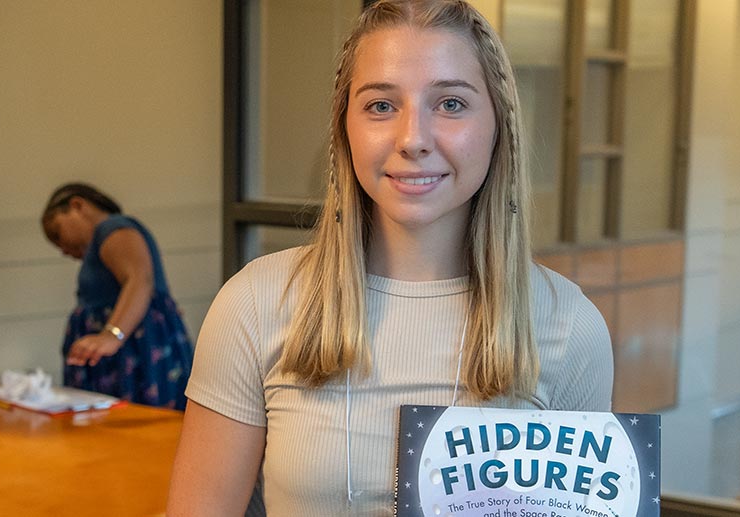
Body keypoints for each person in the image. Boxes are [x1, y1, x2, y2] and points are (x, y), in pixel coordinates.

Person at [165, 1, 614, 514]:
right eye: (381, 106)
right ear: (345, 128)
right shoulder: (254, 303)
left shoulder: (569, 325)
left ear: (499, 126)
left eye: (450, 103)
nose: (413, 139)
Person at [40, 183, 193, 409]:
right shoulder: (104, 237)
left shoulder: (112, 228)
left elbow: (139, 279)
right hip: (125, 354)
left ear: (77, 206)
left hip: (136, 356)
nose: (62, 249)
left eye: (57, 234)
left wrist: (112, 335)